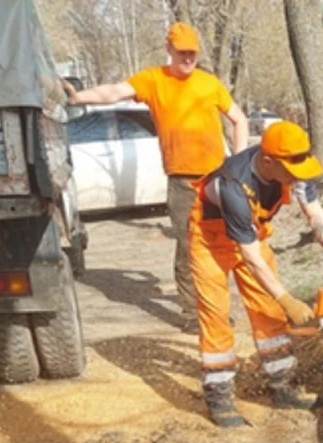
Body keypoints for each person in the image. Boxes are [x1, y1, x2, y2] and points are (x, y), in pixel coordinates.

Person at [64, 23, 249, 332]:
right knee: (189, 245)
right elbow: (114, 92)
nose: (188, 58)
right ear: (170, 51)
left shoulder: (209, 83)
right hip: (182, 182)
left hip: (218, 179)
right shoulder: (152, 80)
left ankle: (216, 308)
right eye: (182, 53)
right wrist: (78, 97)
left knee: (221, 244)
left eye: (192, 53)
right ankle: (193, 313)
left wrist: (239, 162)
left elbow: (239, 119)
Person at [188, 122, 323, 427]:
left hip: (252, 234)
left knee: (268, 311)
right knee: (216, 314)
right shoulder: (233, 184)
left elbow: (315, 214)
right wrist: (287, 299)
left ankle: (284, 387)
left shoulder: (294, 167)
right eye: (292, 171)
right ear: (268, 162)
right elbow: (251, 258)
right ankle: (220, 396)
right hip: (210, 238)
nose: (298, 177)